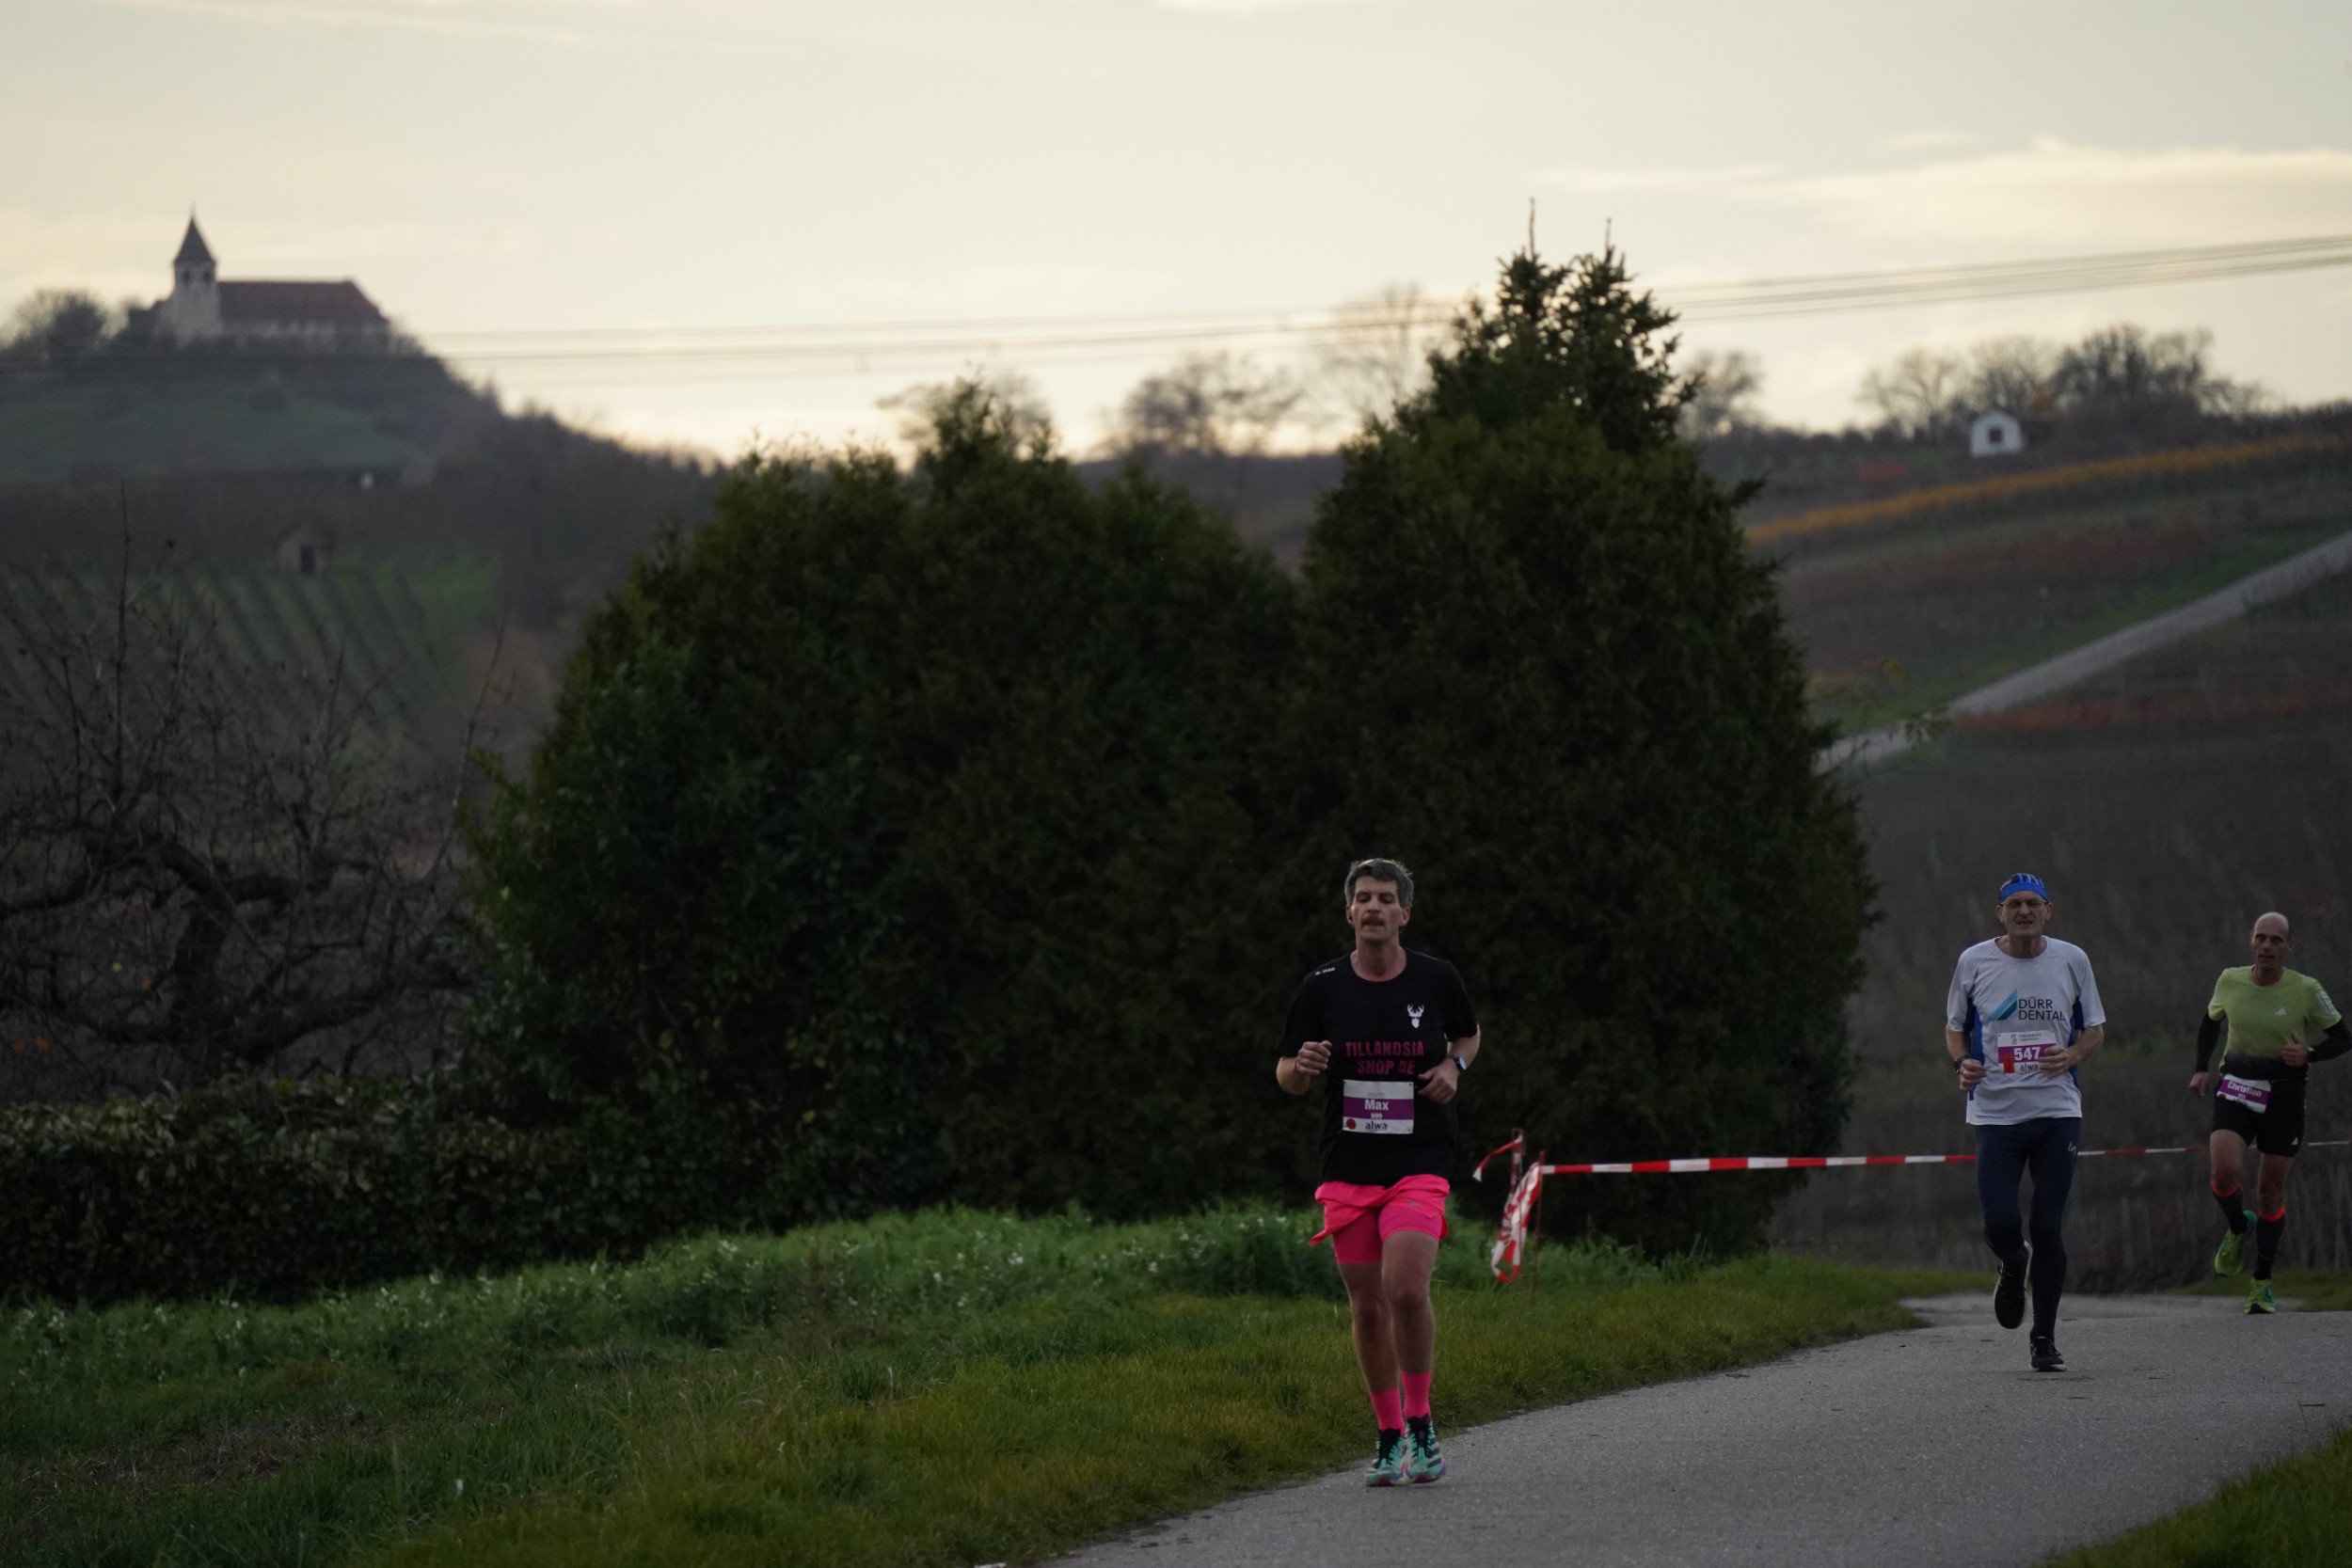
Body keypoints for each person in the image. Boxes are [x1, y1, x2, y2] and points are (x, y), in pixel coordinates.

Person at [1277, 857, 1481, 1487]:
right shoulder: (1322, 986)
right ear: (1349, 911)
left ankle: (1421, 1422)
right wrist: (1302, 1067)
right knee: (1367, 1307)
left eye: (1385, 898)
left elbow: (1469, 1036)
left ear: (1404, 913)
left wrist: (1452, 1068)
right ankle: (1389, 1434)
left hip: (1419, 1158)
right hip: (1349, 1165)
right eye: (1363, 897)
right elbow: (1285, 1074)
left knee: (1407, 1289)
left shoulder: (1436, 978)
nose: (1373, 907)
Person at [1947, 871, 2105, 1372]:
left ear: (2047, 911)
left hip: (2057, 1110)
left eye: (2033, 903)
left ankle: (2044, 1338)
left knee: (2048, 1224)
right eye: (2014, 904)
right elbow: (1954, 1029)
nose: (2024, 912)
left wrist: (2072, 1054)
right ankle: (2014, 1264)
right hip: (1996, 1114)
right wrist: (1962, 1063)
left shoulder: (2072, 960)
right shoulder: (1974, 961)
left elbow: (2095, 1029)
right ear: (2000, 914)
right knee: (1999, 1224)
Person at [2189, 911, 2350, 1314]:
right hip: (2237, 1085)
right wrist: (2201, 1068)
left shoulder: (2306, 989)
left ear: (2289, 948)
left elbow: (2343, 1038)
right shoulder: (2230, 980)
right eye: (2261, 938)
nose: (2267, 947)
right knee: (2223, 1173)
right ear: (2251, 941)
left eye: (2276, 940)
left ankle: (2261, 1282)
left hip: (2284, 1094)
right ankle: (2239, 1226)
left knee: (2269, 1192)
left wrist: (2309, 1054)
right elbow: (2210, 1022)